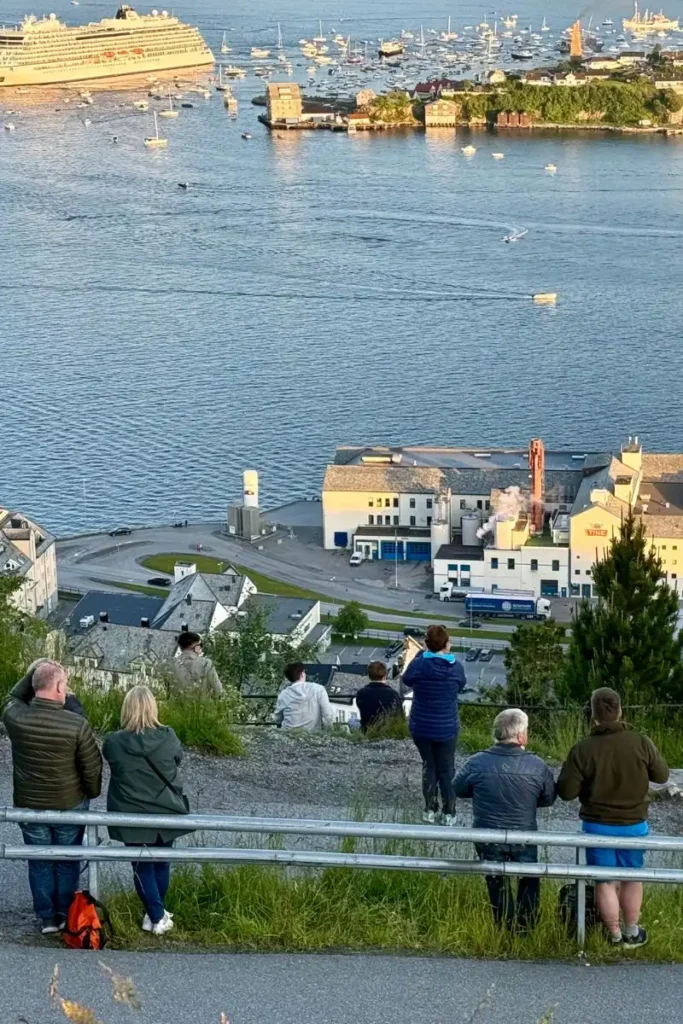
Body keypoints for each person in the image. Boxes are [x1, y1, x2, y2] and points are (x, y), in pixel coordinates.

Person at [557, 687, 669, 948]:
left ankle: (614, 935)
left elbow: (566, 792)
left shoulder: (583, 749)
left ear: (593, 715)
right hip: (634, 825)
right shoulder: (640, 742)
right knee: (632, 877)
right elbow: (662, 775)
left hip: (597, 826)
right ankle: (632, 932)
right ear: (620, 711)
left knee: (605, 880)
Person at [2, 661, 102, 935]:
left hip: (29, 806)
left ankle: (46, 918)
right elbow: (92, 768)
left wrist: (35, 670)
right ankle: (64, 914)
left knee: (39, 861)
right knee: (67, 860)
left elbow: (12, 697)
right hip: (69, 803)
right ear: (59, 687)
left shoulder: (16, 717)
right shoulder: (77, 725)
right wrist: (91, 793)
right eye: (65, 684)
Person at [454, 708, 556, 931]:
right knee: (529, 877)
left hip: (487, 834)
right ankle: (526, 927)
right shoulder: (537, 765)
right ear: (521, 736)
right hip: (524, 834)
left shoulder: (477, 762)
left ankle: (503, 925)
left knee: (495, 879)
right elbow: (548, 798)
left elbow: (458, 788)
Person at [102, 686, 191, 936]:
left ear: (126, 709)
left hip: (131, 813)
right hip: (166, 809)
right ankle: (156, 915)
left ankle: (155, 914)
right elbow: (177, 760)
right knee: (161, 863)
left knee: (141, 866)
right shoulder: (169, 736)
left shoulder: (113, 742)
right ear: (153, 708)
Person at [402, 624, 467, 825]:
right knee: (446, 768)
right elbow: (462, 684)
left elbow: (406, 679)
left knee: (429, 766)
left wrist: (421, 654)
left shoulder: (419, 664)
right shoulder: (455, 667)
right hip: (447, 727)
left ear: (426, 644)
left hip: (421, 726)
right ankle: (449, 812)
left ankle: (430, 808)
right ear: (446, 644)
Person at [273, 663, 335, 731]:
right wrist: (328, 732)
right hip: (311, 733)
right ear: (302, 674)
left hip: (288, 733)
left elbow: (278, 718)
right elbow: (328, 715)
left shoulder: (283, 694)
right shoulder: (318, 689)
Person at [168, 631, 223, 697]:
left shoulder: (170, 665)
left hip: (176, 703)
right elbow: (218, 689)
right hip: (202, 702)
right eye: (200, 645)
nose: (201, 648)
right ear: (193, 646)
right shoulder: (206, 663)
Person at [355, 661, 403, 732]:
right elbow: (400, 715)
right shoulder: (393, 693)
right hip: (388, 732)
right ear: (385, 676)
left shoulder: (361, 693)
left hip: (367, 731)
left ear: (369, 676)